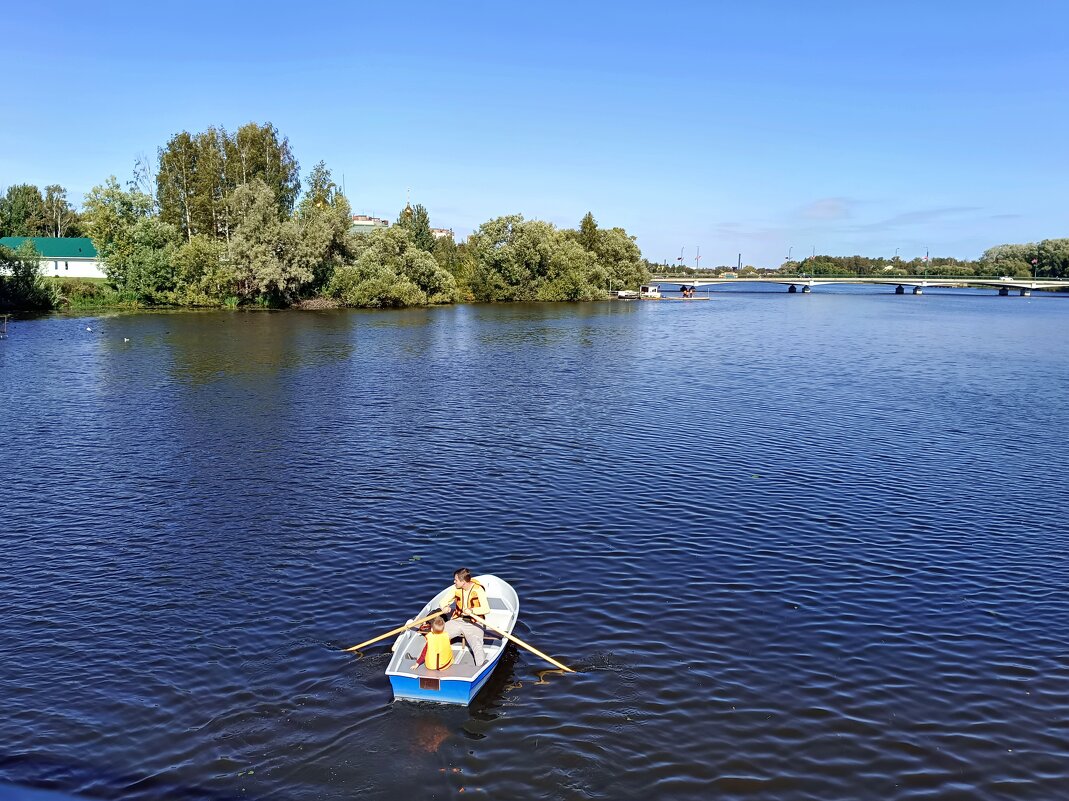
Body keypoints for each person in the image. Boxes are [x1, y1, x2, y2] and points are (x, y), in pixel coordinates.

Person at [440, 567, 488, 667]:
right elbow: (443, 601)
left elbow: (486, 609)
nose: (454, 582)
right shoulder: (455, 588)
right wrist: (444, 607)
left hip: (475, 622)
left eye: (456, 580)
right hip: (458, 620)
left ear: (463, 582)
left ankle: (480, 667)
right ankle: (430, 659)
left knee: (477, 645)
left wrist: (472, 611)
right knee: (438, 635)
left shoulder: (478, 590)